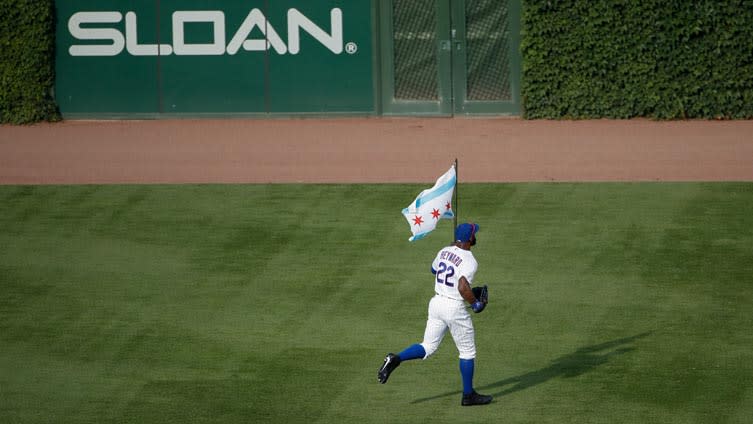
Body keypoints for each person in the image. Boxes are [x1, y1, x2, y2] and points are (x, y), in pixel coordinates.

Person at [377, 222, 492, 406]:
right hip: (454, 307)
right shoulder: (470, 260)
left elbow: (434, 270)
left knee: (428, 346)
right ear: (470, 238)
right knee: (467, 352)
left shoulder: (444, 250)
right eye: (474, 234)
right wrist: (475, 303)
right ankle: (468, 395)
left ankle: (396, 358)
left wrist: (449, 253)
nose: (475, 236)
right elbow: (462, 286)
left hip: (436, 303)